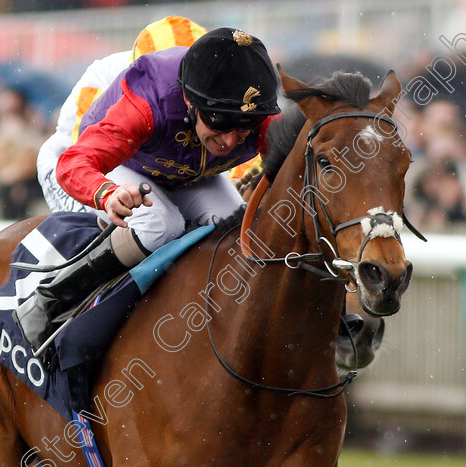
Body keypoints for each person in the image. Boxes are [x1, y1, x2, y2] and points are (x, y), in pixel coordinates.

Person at [15, 27, 281, 351]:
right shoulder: (148, 102)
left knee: (237, 226)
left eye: (244, 129)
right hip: (122, 165)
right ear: (189, 100)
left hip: (185, 174)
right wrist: (107, 193)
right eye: (220, 123)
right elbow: (74, 164)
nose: (229, 141)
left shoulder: (260, 115)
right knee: (160, 225)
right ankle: (50, 300)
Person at [37, 15, 208, 213]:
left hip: (153, 169)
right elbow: (85, 147)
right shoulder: (102, 76)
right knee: (149, 222)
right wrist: (108, 194)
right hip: (72, 164)